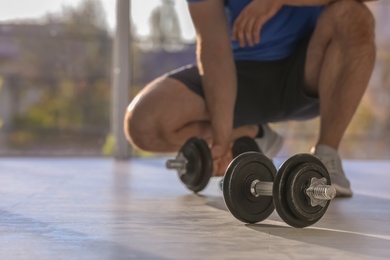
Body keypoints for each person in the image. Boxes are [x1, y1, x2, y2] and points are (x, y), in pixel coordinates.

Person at [124, 0, 376, 197]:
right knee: (143, 124)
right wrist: (222, 140)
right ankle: (250, 135)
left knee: (353, 14)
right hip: (239, 72)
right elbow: (214, 49)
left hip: (311, 68)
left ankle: (326, 155)